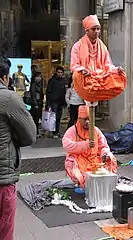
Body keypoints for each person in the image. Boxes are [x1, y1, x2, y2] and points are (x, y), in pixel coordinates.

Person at [0, 60, 36, 240]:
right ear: (5, 77)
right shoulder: (8, 98)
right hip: (2, 177)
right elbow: (30, 135)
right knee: (4, 230)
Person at [70, 14, 126, 102]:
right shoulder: (77, 46)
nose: (96, 31)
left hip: (101, 76)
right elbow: (74, 66)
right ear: (87, 30)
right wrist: (83, 70)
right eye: (93, 29)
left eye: (98, 29)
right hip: (86, 78)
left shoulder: (102, 46)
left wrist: (116, 69)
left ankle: (97, 91)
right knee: (77, 75)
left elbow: (107, 65)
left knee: (119, 76)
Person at [62, 105, 117, 188]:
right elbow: (67, 146)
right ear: (79, 119)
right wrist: (85, 145)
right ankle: (81, 184)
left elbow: (103, 146)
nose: (87, 122)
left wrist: (105, 154)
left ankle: (104, 185)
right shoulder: (72, 130)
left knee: (111, 158)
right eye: (85, 119)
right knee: (70, 163)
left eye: (89, 119)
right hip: (79, 160)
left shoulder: (96, 130)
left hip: (95, 160)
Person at [46, 66, 66, 138]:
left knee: (58, 117)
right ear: (56, 72)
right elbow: (48, 91)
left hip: (61, 101)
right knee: (54, 117)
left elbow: (64, 92)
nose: (60, 74)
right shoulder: (52, 80)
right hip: (54, 101)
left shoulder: (63, 80)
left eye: (61, 72)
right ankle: (54, 132)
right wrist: (48, 103)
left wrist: (64, 102)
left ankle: (57, 131)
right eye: (59, 72)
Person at [30, 72, 44, 138]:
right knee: (35, 119)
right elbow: (33, 95)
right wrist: (35, 104)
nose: (39, 78)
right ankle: (35, 133)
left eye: (40, 77)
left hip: (39, 103)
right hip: (35, 104)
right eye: (37, 76)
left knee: (37, 118)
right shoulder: (33, 84)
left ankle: (36, 132)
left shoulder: (40, 84)